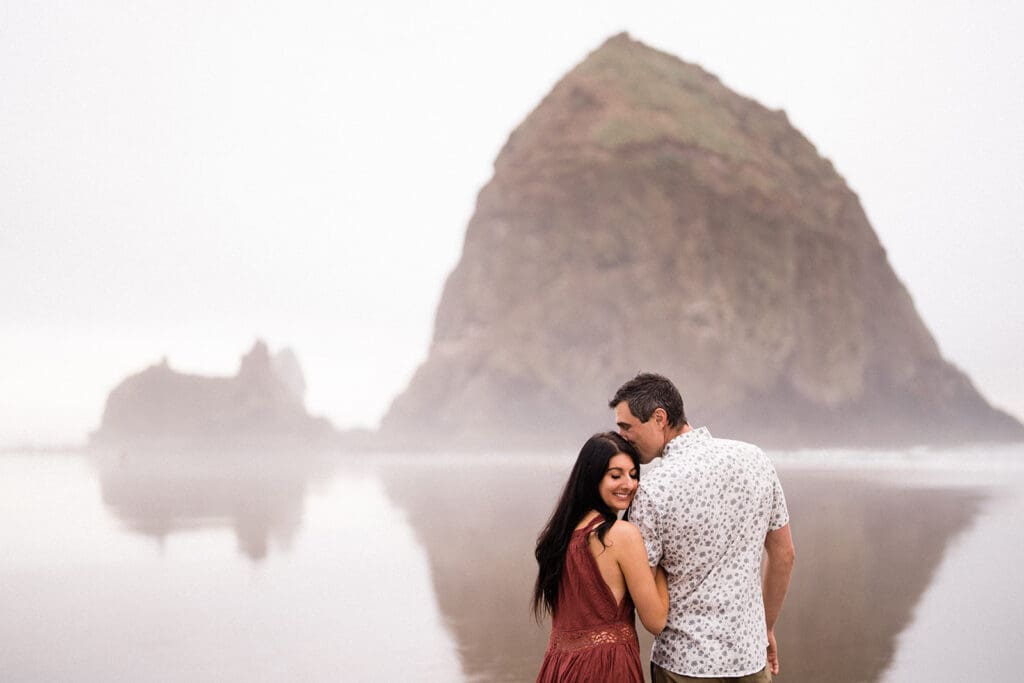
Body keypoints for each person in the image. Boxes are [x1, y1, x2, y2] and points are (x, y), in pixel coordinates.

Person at [609, 373, 796, 683]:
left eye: (627, 427)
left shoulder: (651, 491)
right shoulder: (756, 460)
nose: (622, 437)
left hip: (683, 665)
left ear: (659, 418)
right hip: (749, 659)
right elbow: (784, 554)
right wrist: (766, 629)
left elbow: (639, 590)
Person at [533, 432, 670, 683]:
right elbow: (657, 621)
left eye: (633, 474)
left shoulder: (558, 538)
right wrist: (662, 558)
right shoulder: (622, 536)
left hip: (558, 669)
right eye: (615, 475)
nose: (628, 484)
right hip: (606, 669)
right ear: (592, 478)